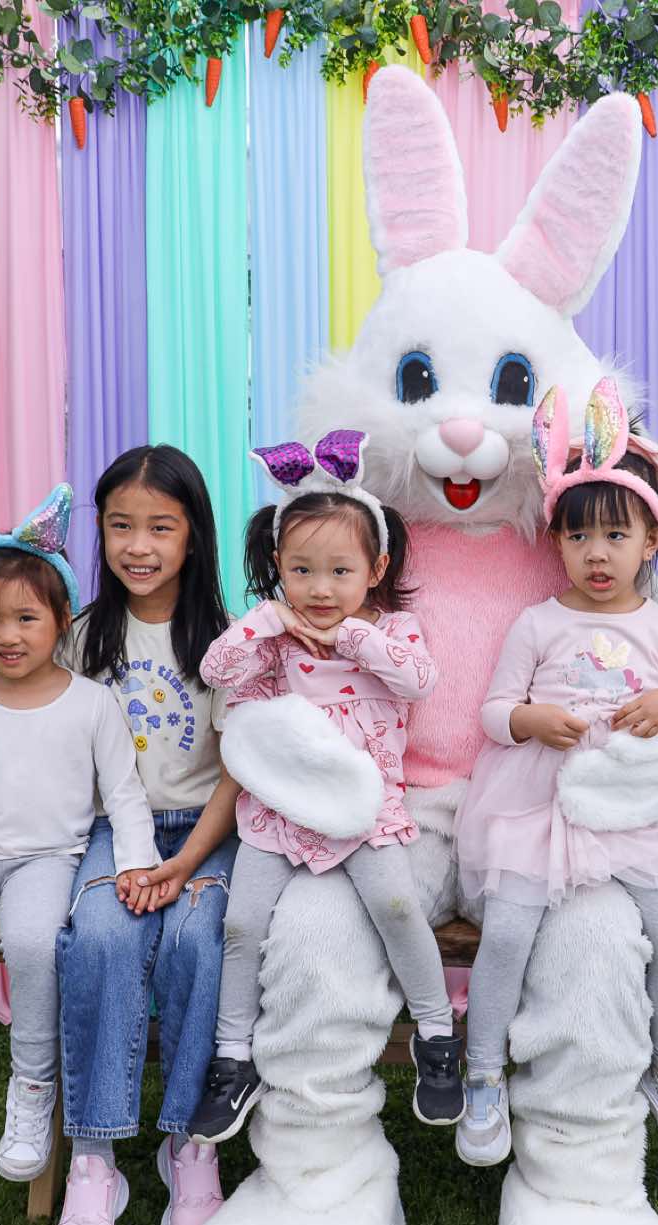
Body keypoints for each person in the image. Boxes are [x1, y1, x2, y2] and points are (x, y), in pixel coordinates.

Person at [0, 447, 242, 1225]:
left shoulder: (228, 643)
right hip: (105, 830)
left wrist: (185, 862)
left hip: (204, 831)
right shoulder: (82, 633)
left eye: (160, 527)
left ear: (193, 535)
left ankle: (188, 1146)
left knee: (200, 941)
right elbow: (7, 734)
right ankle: (93, 1161)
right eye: (120, 525)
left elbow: (240, 772)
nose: (138, 545)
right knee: (96, 937)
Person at [453, 380, 658, 1169]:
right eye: (578, 537)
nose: (596, 553)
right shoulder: (539, 622)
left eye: (615, 534)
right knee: (507, 931)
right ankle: (483, 1074)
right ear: (557, 543)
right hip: (538, 805)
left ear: (651, 540)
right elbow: (494, 712)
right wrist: (531, 719)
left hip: (629, 809)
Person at [0, 469, 158, 1220]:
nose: (6, 636)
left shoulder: (92, 704)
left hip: (52, 860)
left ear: (61, 618)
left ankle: (33, 1089)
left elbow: (125, 795)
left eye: (24, 618)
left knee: (37, 944)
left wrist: (137, 866)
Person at [186, 431, 462, 1144]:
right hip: (280, 811)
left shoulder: (392, 631)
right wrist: (266, 619)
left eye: (340, 571)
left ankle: (437, 1034)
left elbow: (419, 680)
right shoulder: (272, 641)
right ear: (278, 566)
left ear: (376, 568)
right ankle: (233, 1055)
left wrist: (347, 637)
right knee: (243, 924)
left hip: (366, 811)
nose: (319, 588)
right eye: (301, 570)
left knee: (398, 905)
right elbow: (217, 672)